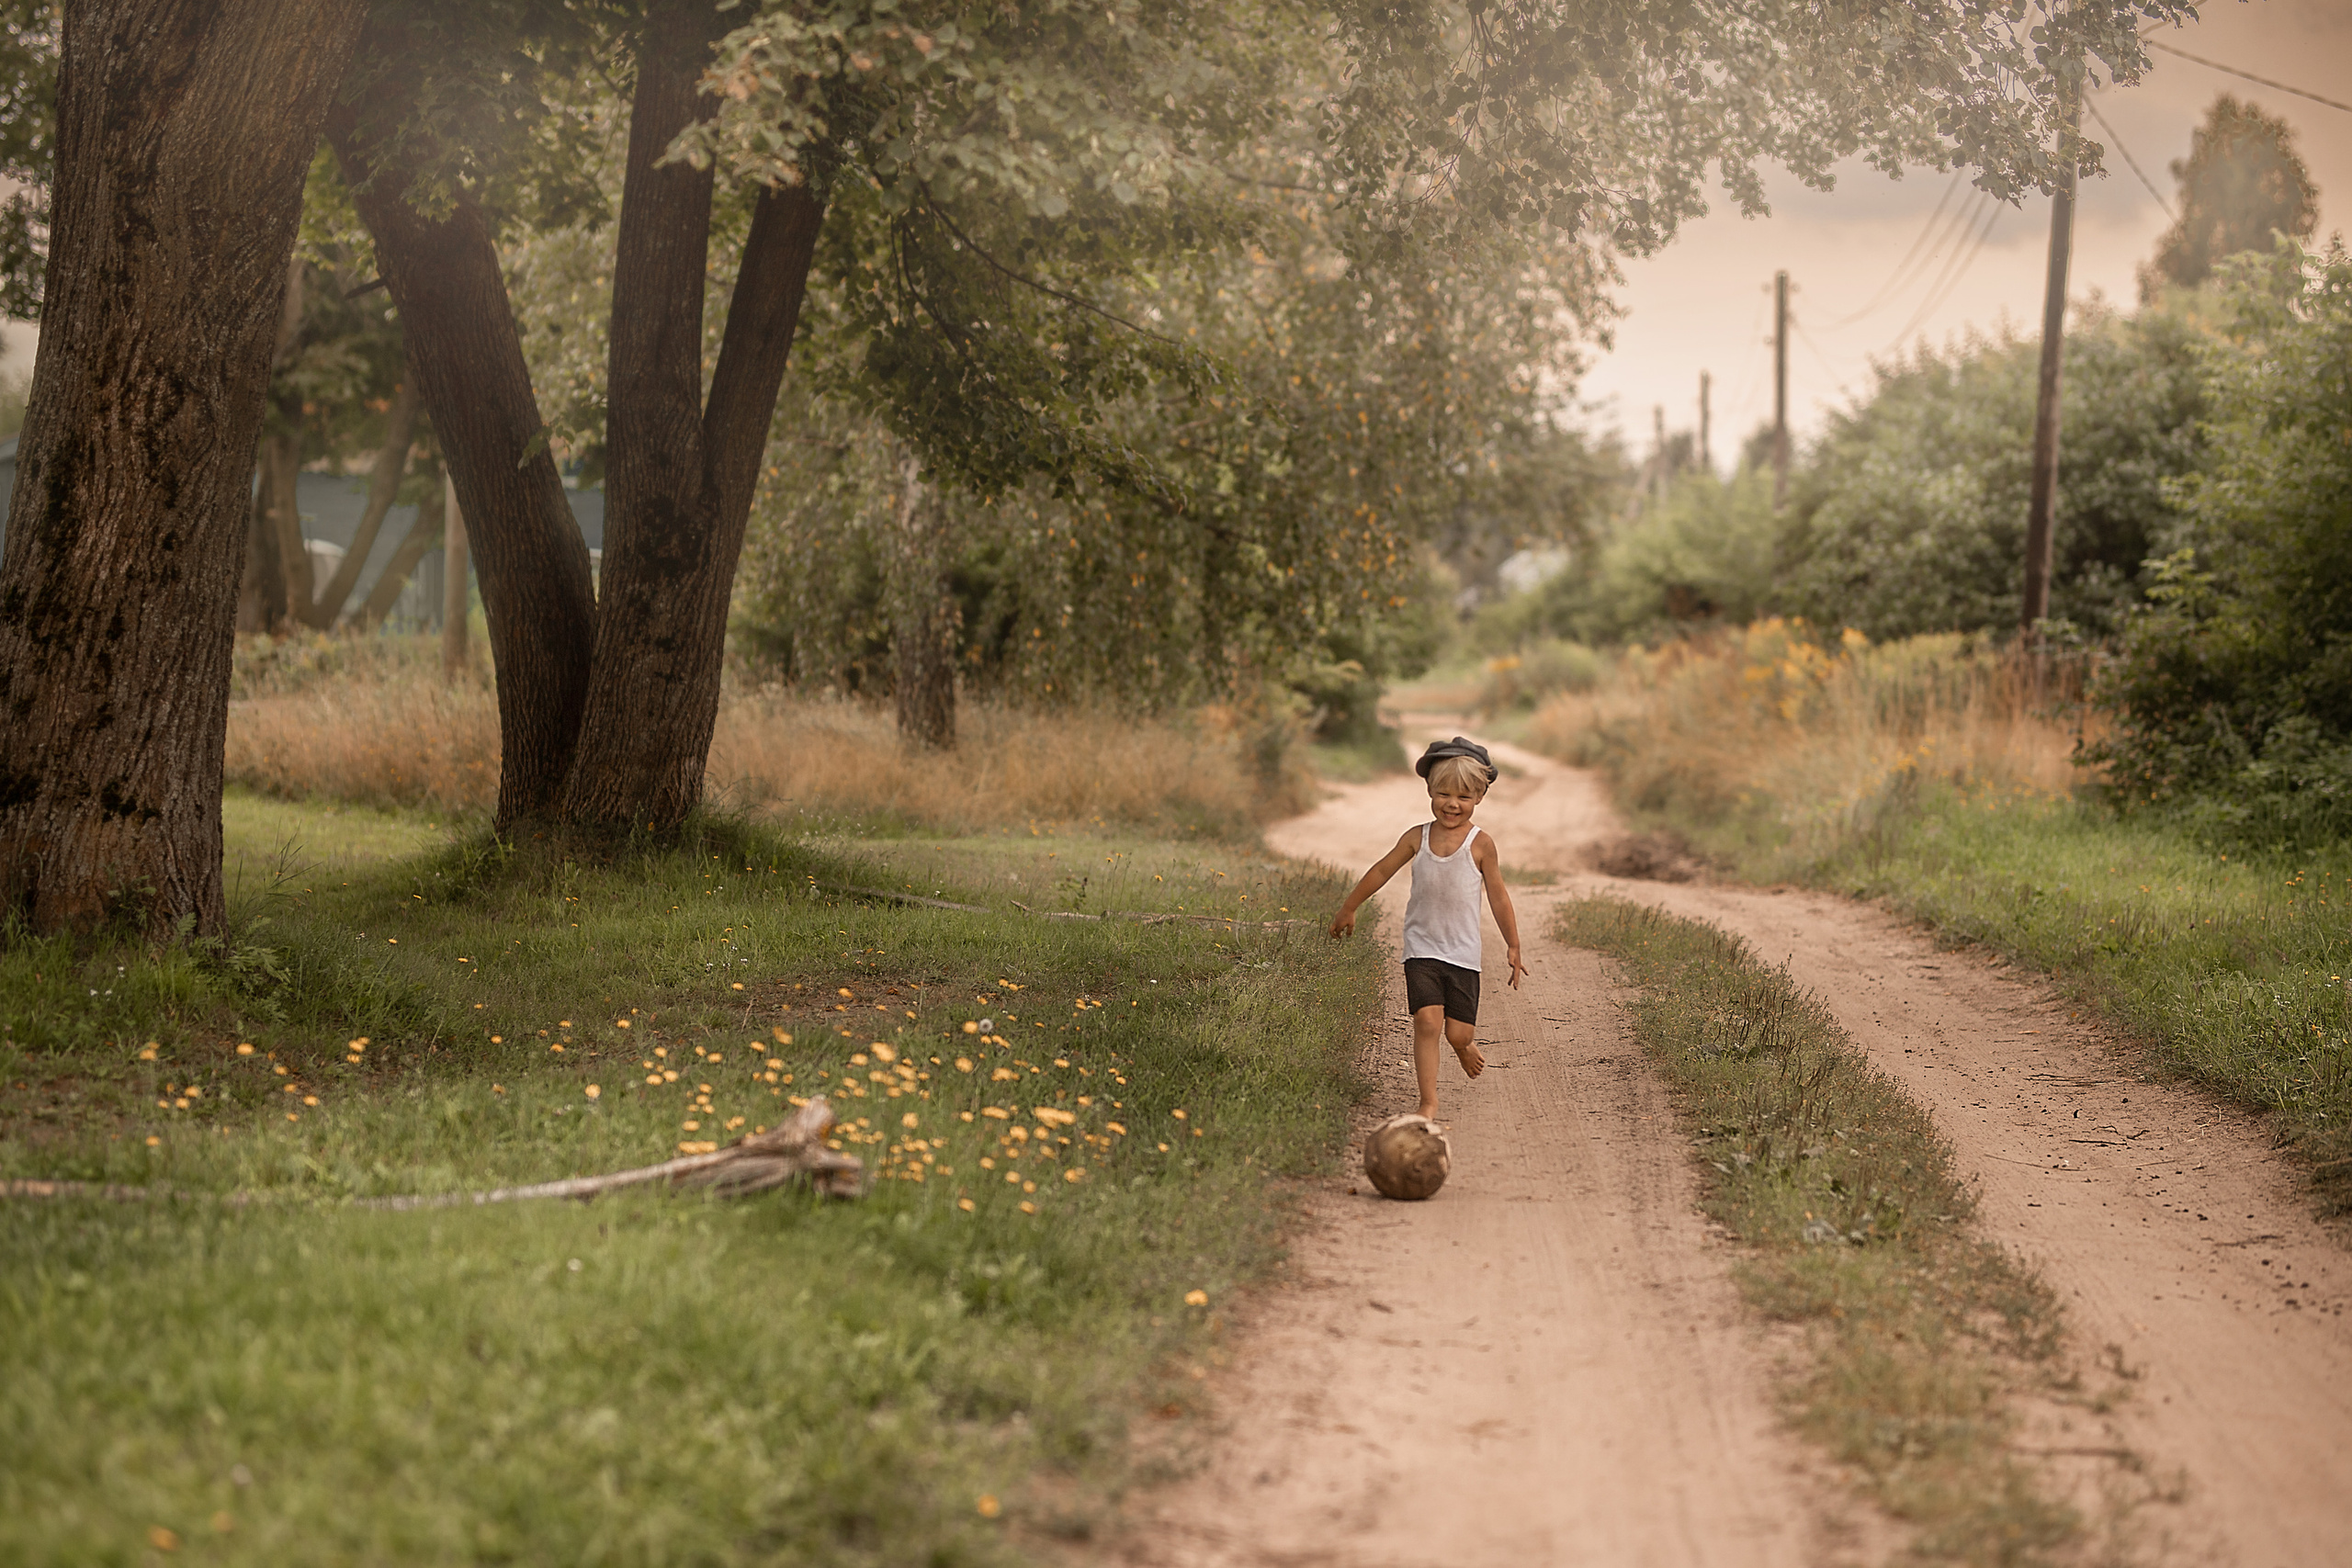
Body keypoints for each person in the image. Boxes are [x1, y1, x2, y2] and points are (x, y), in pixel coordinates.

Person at [1329, 736, 1526, 1120]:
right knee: (1427, 1021)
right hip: (1421, 950)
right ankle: (1428, 1102)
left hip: (1463, 955)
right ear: (1430, 791)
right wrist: (1349, 907)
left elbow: (1499, 898)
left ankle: (1463, 1046)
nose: (1453, 804)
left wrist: (1513, 945)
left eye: (1464, 797)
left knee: (1458, 1034)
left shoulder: (1481, 844)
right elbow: (1382, 870)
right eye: (1444, 793)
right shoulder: (1416, 837)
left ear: (1480, 798)